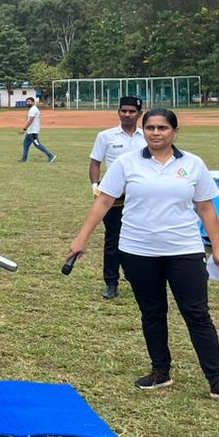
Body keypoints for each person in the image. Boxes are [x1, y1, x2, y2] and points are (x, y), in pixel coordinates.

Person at [69, 108, 219, 403]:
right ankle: (160, 372)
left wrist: (218, 249)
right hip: (138, 250)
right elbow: (106, 200)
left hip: (184, 250)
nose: (156, 133)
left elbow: (206, 208)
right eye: (150, 128)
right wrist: (82, 237)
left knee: (197, 315)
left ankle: (217, 381)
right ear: (143, 130)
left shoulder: (193, 164)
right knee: (152, 312)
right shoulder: (126, 163)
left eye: (162, 128)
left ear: (175, 132)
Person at [87, 96, 145, 299]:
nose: (127, 115)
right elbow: (95, 162)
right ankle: (111, 282)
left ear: (140, 113)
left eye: (131, 111)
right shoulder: (106, 136)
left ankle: (137, 277)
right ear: (118, 112)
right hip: (114, 197)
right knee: (113, 239)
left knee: (140, 238)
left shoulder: (147, 136)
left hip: (141, 197)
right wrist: (95, 186)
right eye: (123, 111)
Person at [19, 96, 56, 163]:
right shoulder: (32, 109)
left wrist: (24, 129)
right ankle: (24, 159)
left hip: (33, 131)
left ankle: (51, 156)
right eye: (27, 102)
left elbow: (31, 120)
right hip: (30, 131)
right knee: (26, 144)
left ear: (33, 102)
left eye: (29, 102)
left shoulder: (33, 109)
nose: (27, 103)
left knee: (37, 144)